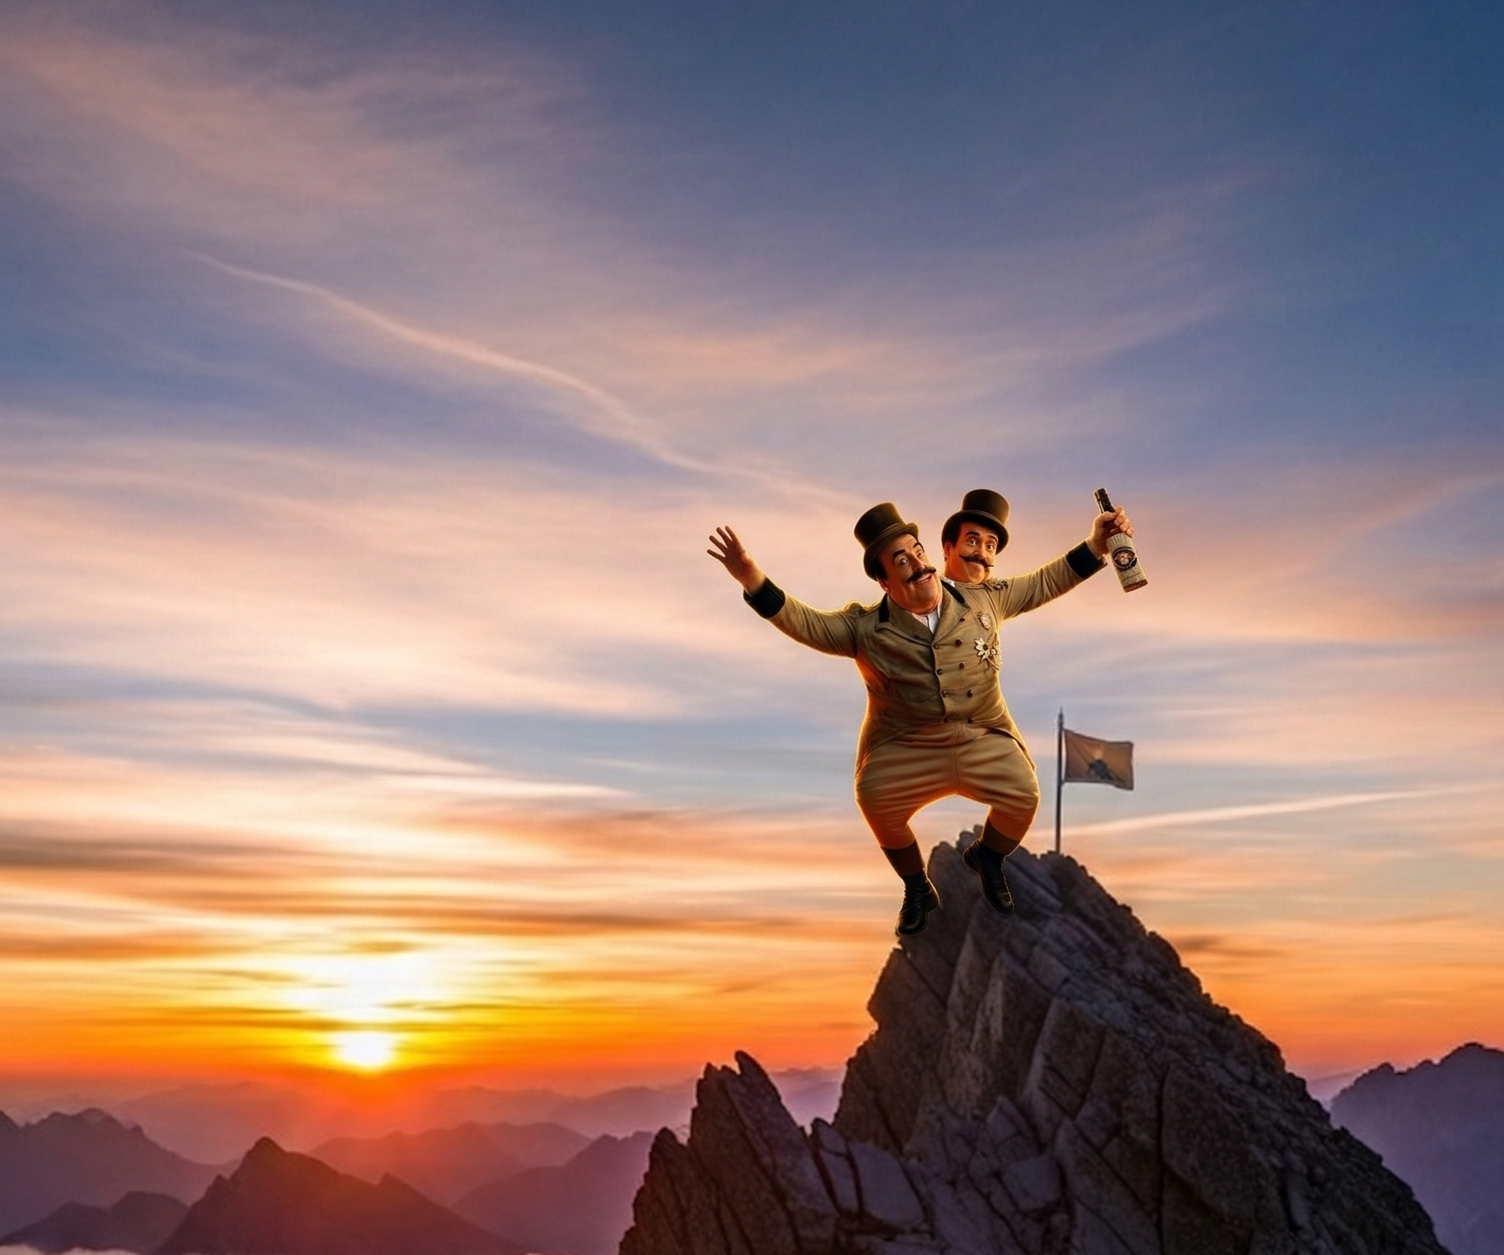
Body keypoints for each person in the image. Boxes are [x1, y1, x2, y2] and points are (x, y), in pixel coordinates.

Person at [708, 494, 1131, 935]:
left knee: (1024, 795)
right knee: (874, 799)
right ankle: (916, 886)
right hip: (906, 743)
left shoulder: (986, 599)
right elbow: (804, 621)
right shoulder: (864, 629)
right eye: (901, 560)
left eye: (918, 552)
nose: (918, 564)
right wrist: (750, 577)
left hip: (980, 735)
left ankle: (987, 857)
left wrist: (1097, 544)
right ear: (884, 581)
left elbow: (1048, 580)